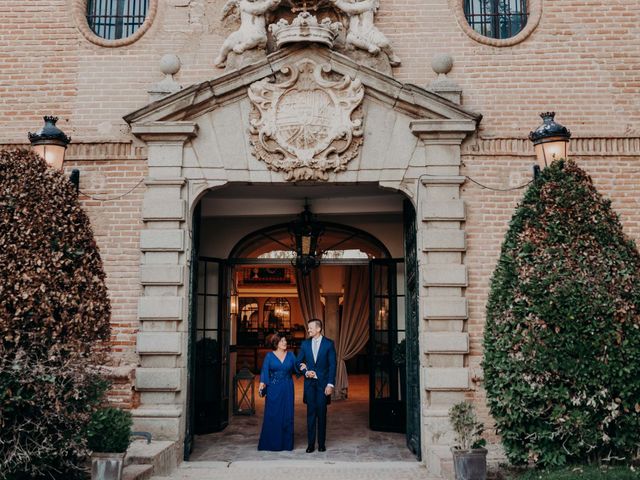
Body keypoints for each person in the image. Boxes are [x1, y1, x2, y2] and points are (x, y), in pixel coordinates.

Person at [296, 319, 337, 453]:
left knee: (322, 414)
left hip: (323, 385)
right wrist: (306, 372)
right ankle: (310, 444)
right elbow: (298, 362)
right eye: (308, 328)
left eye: (310, 328)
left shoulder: (329, 344)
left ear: (318, 329)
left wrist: (330, 384)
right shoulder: (305, 344)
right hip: (309, 385)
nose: (308, 330)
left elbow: (332, 366)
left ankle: (321, 444)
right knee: (310, 415)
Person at [257, 332, 297, 451]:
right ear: (276, 343)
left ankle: (286, 444)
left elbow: (298, 367)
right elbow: (265, 371)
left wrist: (306, 370)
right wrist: (261, 384)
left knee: (287, 414)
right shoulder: (269, 356)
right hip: (273, 389)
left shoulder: (291, 355)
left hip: (287, 388)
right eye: (282, 341)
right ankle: (271, 444)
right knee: (273, 415)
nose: (285, 343)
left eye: (285, 341)